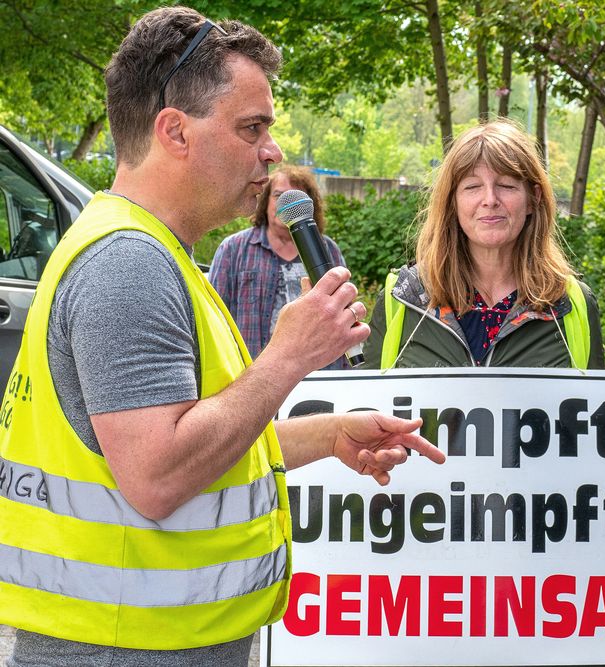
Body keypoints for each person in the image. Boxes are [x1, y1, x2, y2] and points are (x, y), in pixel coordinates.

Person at [0, 7, 444, 666]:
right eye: (252, 127)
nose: (272, 151)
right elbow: (157, 473)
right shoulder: (128, 265)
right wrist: (288, 357)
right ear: (174, 131)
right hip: (128, 649)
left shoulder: (156, 254)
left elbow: (193, 436)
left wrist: (328, 434)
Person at [360, 121, 604, 370]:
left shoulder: (572, 303)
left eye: (507, 185)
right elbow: (365, 405)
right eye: (473, 186)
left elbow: (599, 407)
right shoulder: (405, 298)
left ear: (534, 198)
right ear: (452, 202)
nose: (490, 200)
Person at [210, 165, 349, 368]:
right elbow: (215, 321)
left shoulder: (328, 249)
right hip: (254, 376)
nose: (286, 202)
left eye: (295, 197)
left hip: (319, 375)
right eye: (278, 195)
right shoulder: (234, 249)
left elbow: (342, 313)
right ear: (265, 201)